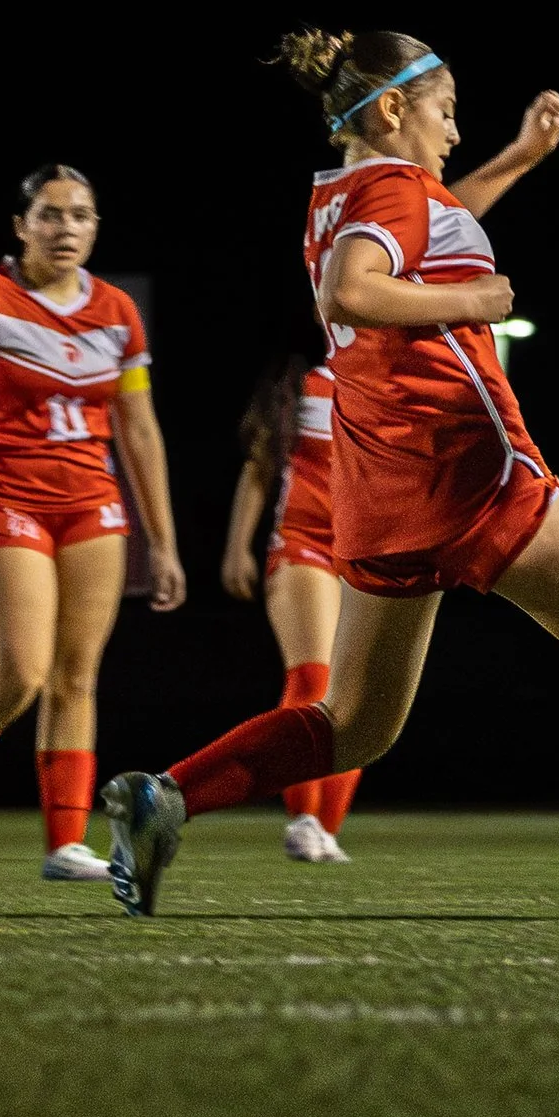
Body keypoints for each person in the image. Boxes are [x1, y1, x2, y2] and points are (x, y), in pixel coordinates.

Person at [100, 31, 559, 917]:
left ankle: (167, 796)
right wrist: (478, 301)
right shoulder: (389, 189)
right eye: (448, 110)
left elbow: (430, 225)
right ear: (393, 109)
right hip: (468, 471)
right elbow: (352, 290)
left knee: (355, 724)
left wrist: (518, 157)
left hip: (384, 494)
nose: (456, 131)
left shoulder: (347, 192)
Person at [0, 164, 187, 879]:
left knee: (76, 676)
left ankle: (64, 843)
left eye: (81, 215)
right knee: (20, 672)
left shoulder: (116, 309)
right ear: (22, 225)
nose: (66, 229)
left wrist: (165, 542)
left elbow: (139, 430)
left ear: (95, 227)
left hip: (92, 500)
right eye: (51, 215)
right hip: (5, 495)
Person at [222, 356, 364, 862]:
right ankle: (302, 818)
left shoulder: (394, 385)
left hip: (366, 551)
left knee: (359, 696)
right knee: (313, 678)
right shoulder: (303, 385)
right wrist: (237, 547)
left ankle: (326, 828)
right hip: (303, 543)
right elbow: (260, 466)